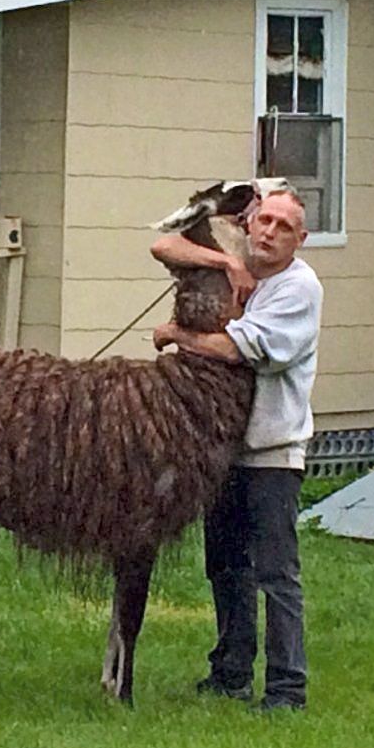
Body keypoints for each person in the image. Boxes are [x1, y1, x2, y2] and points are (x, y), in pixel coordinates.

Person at [150, 189, 323, 712]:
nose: (268, 232)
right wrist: (226, 259)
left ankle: (286, 689)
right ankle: (230, 673)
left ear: (301, 239)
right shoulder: (241, 262)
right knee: (225, 566)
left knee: (275, 572)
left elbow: (237, 348)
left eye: (282, 226)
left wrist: (175, 333)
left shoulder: (299, 288)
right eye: (262, 221)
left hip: (272, 449)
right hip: (223, 451)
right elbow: (164, 246)